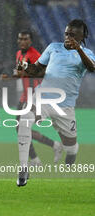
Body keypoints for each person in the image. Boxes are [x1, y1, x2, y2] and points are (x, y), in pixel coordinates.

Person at [16, 19, 95, 186]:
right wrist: (25, 66)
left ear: (82, 36)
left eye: (73, 35)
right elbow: (37, 70)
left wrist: (78, 49)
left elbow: (92, 68)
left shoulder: (86, 53)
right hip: (43, 98)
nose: (68, 37)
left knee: (70, 147)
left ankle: (70, 155)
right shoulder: (53, 48)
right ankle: (23, 169)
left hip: (65, 107)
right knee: (24, 120)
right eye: (67, 34)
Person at [1, 31, 62, 166]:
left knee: (21, 128)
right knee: (21, 128)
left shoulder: (35, 55)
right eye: (20, 39)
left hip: (34, 97)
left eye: (25, 39)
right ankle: (52, 147)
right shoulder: (19, 54)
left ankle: (36, 159)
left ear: (30, 41)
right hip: (24, 97)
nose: (22, 41)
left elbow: (44, 73)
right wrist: (9, 78)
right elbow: (19, 73)